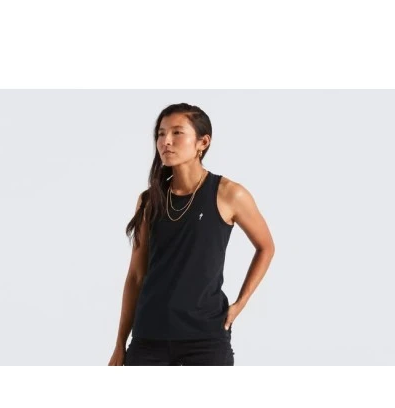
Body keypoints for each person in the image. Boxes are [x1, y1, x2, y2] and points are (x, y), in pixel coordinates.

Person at [108, 103, 275, 366]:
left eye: (177, 133)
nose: (166, 141)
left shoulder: (229, 194)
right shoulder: (149, 200)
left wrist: (240, 303)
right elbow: (136, 276)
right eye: (161, 134)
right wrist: (120, 343)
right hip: (149, 337)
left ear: (203, 142)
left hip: (206, 338)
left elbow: (266, 247)